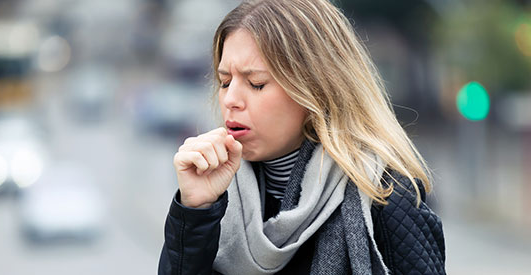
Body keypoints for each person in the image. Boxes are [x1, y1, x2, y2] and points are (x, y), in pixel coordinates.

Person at [158, 0, 445, 274]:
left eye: (256, 84)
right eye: (225, 82)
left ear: (315, 89)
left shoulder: (387, 196)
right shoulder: (215, 196)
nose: (231, 99)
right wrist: (194, 211)